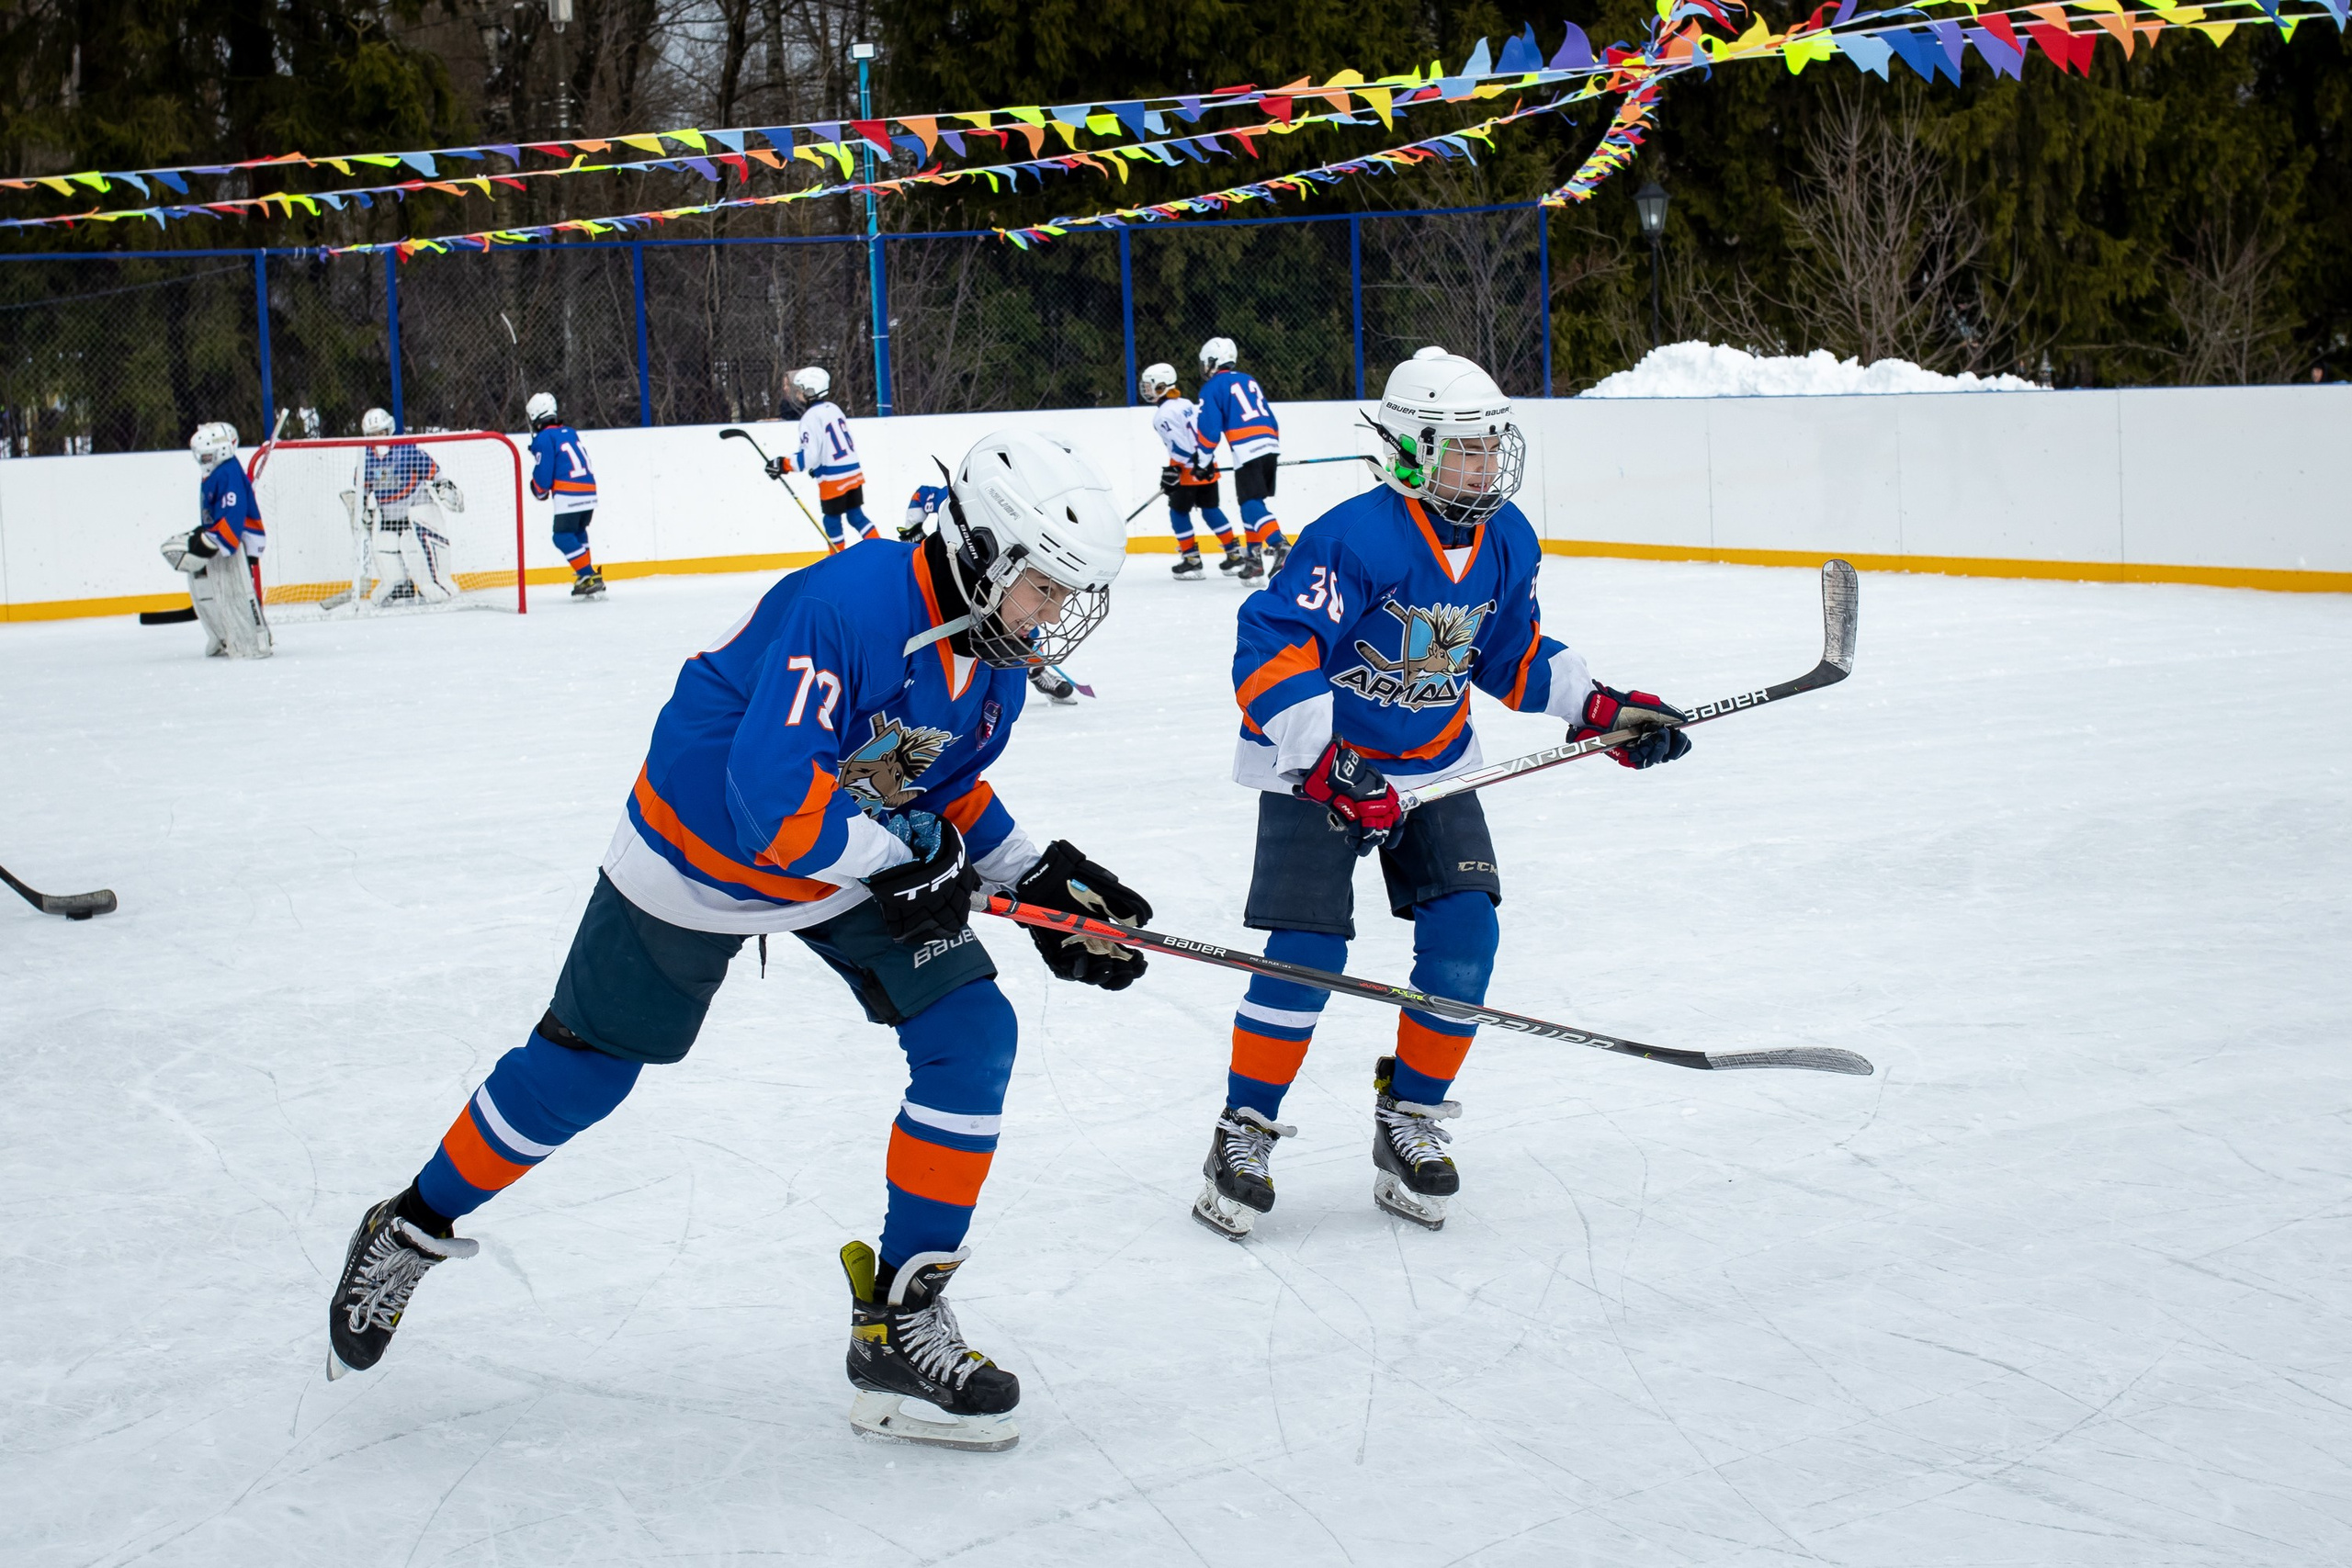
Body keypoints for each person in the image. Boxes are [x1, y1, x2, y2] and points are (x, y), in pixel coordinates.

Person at [325, 429, 1153, 1453]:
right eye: (1043, 587)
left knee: (972, 1033)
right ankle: (408, 1224)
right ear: (981, 547)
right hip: (700, 856)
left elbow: (934, 782)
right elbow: (767, 803)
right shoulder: (844, 608)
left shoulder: (994, 662)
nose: (1054, 618)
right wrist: (909, 866)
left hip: (844, 849)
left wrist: (1030, 871)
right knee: (581, 1078)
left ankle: (899, 1320)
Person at [1195, 347, 1693, 1240]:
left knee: (1467, 935)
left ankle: (1409, 1116)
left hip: (1430, 764)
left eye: (1491, 445)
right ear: (1411, 452)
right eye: (1463, 448)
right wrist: (1324, 759)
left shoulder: (1507, 542)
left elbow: (1508, 656)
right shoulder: (1354, 538)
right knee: (1306, 951)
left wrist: (1598, 706)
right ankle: (1242, 1129)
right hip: (1318, 770)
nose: (1483, 464)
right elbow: (1268, 647)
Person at [325, 407, 464, 610]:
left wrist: (442, 486)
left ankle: (434, 584)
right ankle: (398, 586)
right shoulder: (365, 458)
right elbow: (362, 489)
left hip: (415, 514)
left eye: (381, 433)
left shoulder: (406, 449)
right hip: (387, 517)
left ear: (389, 430)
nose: (378, 438)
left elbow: (434, 473)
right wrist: (361, 508)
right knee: (383, 547)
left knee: (414, 548)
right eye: (373, 435)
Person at [159, 421, 272, 658]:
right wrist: (202, 536)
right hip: (222, 536)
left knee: (234, 590)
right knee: (204, 586)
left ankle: (252, 640)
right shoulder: (215, 471)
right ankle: (221, 635)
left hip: (238, 539)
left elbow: (233, 514)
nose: (203, 461)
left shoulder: (228, 471)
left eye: (207, 455)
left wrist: (214, 542)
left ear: (221, 450)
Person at [1193, 337, 1289, 582]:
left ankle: (1280, 546)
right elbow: (1270, 418)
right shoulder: (1248, 379)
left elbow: (1209, 431)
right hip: (1269, 444)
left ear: (1214, 362)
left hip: (1246, 450)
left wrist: (1202, 463)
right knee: (1253, 502)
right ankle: (1254, 559)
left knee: (1249, 503)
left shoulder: (1212, 387)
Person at [1139, 362, 1242, 579]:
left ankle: (1191, 559)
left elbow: (1179, 447)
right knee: (1211, 509)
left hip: (1188, 471)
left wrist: (1173, 469)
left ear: (1162, 386)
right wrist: (1206, 461)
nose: (1146, 391)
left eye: (1149, 386)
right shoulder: (1186, 403)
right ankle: (1234, 554)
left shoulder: (1162, 416)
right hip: (1207, 465)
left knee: (1178, 512)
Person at [771, 367, 879, 548]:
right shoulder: (834, 409)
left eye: (800, 389)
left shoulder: (809, 417)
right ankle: (882, 551)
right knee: (856, 516)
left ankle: (836, 560)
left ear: (810, 391)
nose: (797, 393)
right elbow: (831, 446)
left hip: (833, 479)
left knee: (831, 521)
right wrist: (818, 466)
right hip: (852, 473)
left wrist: (783, 464)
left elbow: (808, 457)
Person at [526, 392, 602, 597]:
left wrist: (537, 488)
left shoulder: (543, 438)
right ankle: (587, 574)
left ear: (534, 416)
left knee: (561, 536)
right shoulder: (570, 432)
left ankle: (588, 575)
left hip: (569, 493)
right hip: (589, 491)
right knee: (578, 531)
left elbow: (543, 479)